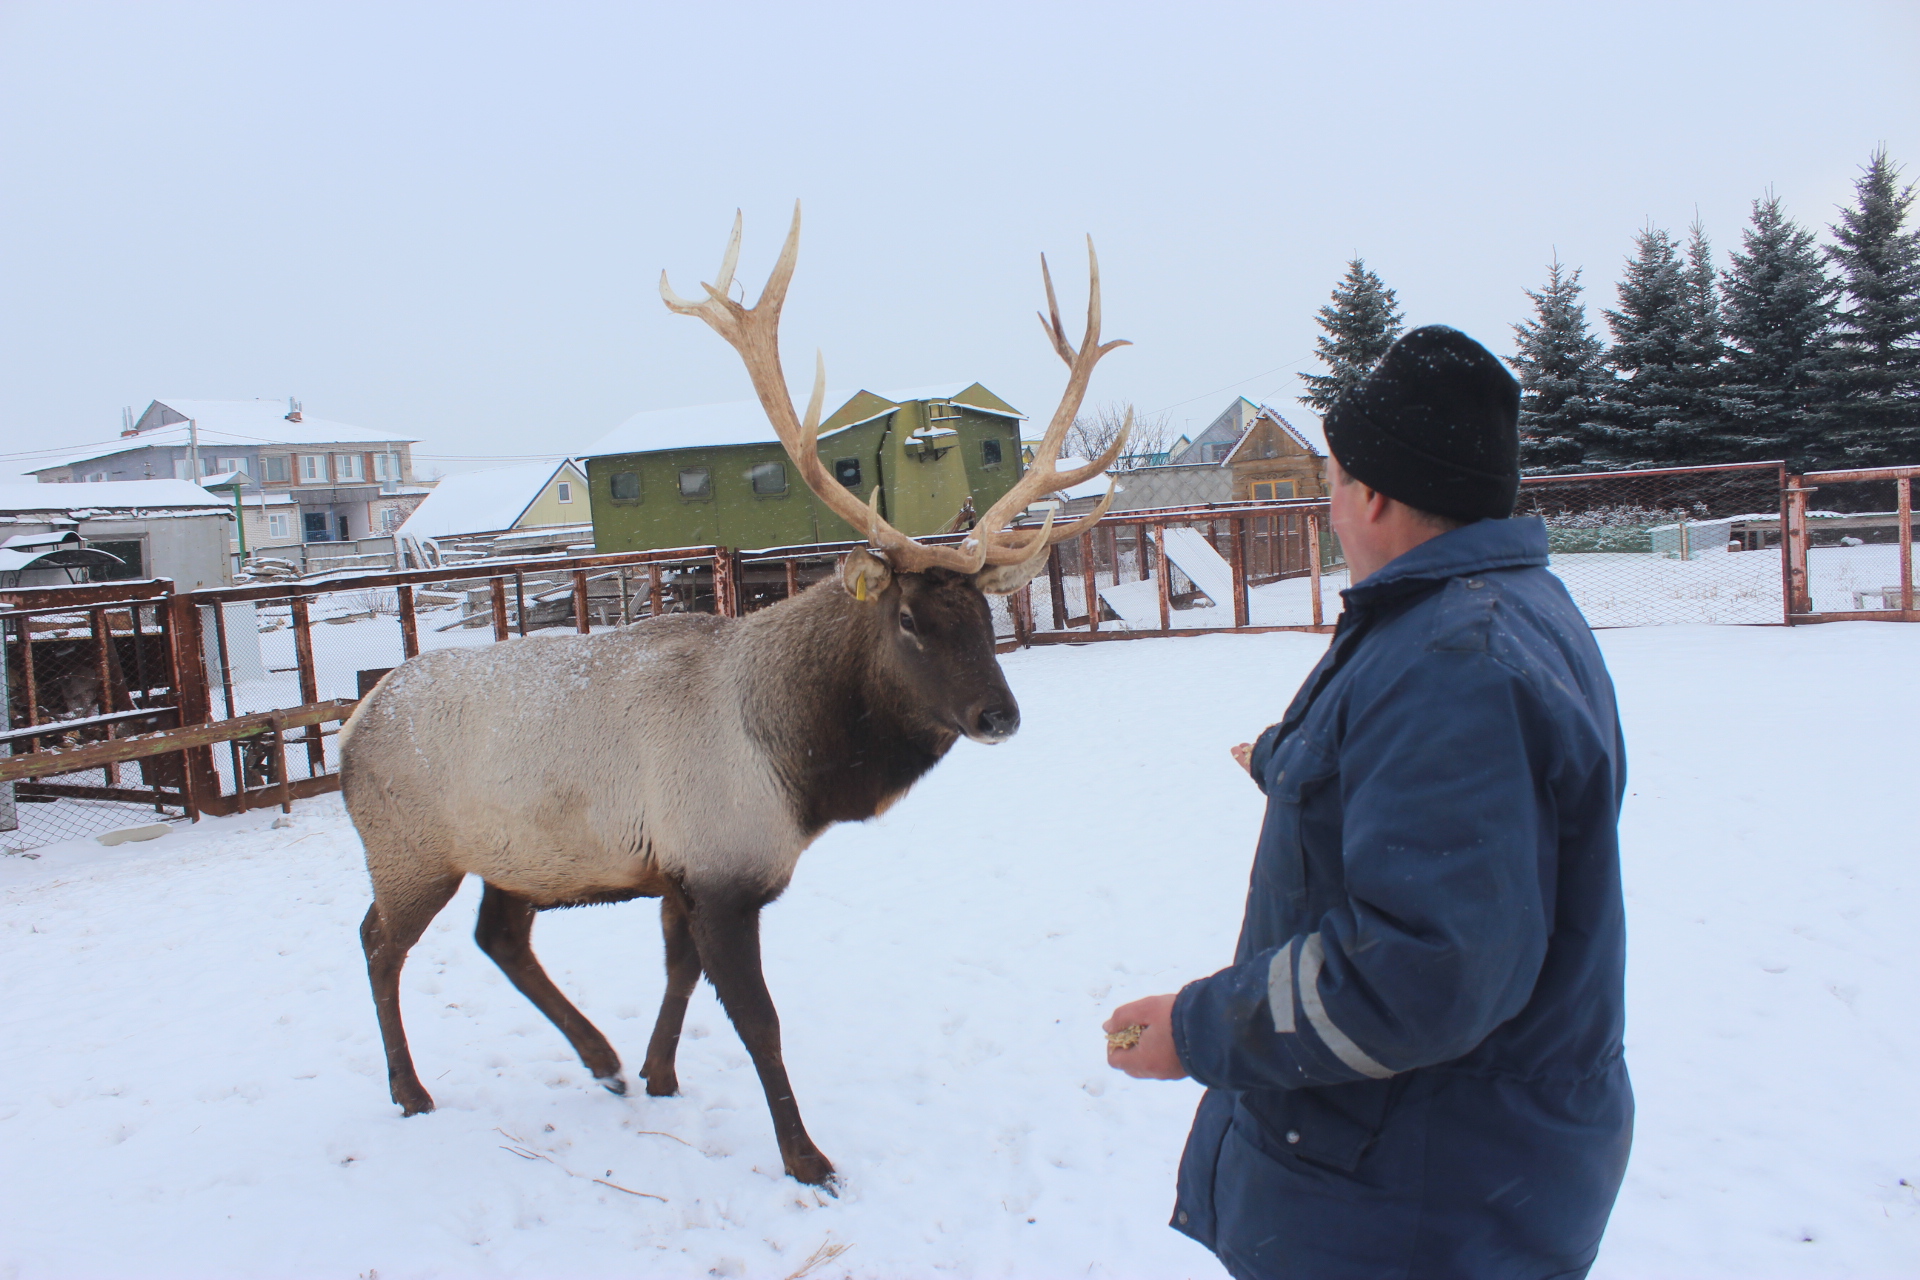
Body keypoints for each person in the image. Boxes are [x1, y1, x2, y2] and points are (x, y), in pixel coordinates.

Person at [1104, 326, 1632, 1280]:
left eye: (1337, 481)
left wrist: (1194, 1031)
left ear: (1378, 494)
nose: (1333, 510)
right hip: (1430, 1173)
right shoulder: (1490, 613)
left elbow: (1419, 973)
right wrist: (1283, 759)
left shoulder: (1454, 664)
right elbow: (1425, 799)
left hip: (1412, 1200)